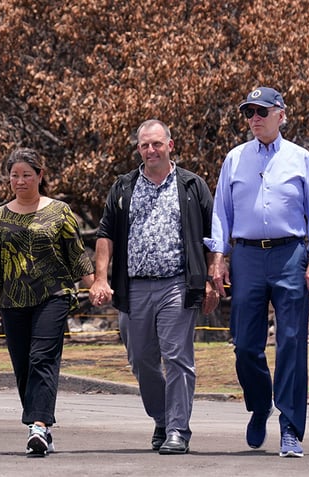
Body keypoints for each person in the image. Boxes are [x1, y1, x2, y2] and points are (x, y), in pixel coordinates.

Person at [206, 87, 309, 458]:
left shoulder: (300, 158)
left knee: (292, 342)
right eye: (249, 112)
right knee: (245, 345)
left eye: (262, 111)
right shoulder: (234, 159)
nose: (255, 118)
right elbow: (221, 213)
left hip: (290, 254)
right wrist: (218, 257)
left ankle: (290, 427)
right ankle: (260, 404)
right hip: (246, 256)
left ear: (281, 114)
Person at [90, 119, 218, 455]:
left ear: (170, 145)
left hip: (177, 284)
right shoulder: (123, 187)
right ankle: (162, 417)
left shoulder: (192, 185)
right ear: (139, 149)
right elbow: (105, 234)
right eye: (145, 145)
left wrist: (212, 279)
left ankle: (177, 429)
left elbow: (212, 236)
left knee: (177, 358)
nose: (151, 150)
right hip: (133, 288)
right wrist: (101, 278)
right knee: (141, 360)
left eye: (157, 144)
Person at [0, 147, 95, 457]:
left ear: (40, 176)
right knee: (23, 365)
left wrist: (96, 287)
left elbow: (76, 256)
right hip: (12, 300)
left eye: (27, 175)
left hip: (52, 296)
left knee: (42, 358)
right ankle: (41, 429)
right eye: (15, 175)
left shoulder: (59, 211)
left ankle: (38, 426)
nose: (20, 181)